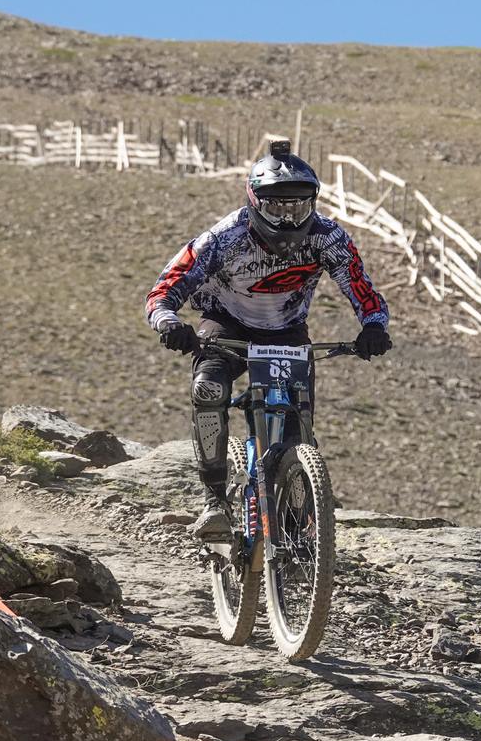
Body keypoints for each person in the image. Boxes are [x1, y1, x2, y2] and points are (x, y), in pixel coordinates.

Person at [146, 140, 392, 540]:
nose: (289, 217)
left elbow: (361, 287)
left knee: (299, 422)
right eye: (275, 205)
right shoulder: (225, 237)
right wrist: (169, 322)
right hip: (226, 327)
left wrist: (375, 326)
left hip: (287, 332)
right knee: (208, 389)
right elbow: (165, 287)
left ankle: (297, 519)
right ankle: (214, 502)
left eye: (298, 206)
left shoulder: (328, 238)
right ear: (254, 201)